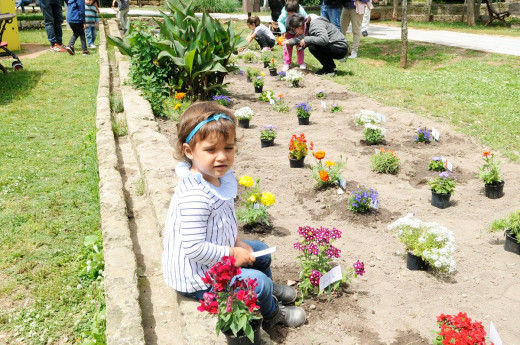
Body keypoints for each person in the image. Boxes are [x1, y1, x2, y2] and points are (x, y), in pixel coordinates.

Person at [162, 101, 306, 329]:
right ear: (189, 151)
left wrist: (237, 242)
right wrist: (231, 253)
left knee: (260, 251)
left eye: (228, 148)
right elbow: (193, 248)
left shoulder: (215, 177)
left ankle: (268, 289)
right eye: (211, 150)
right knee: (256, 283)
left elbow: (225, 220)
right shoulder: (194, 195)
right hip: (199, 278)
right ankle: (271, 314)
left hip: (215, 259)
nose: (222, 157)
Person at [284, 14, 348, 76]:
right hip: (337, 46)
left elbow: (323, 40)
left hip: (340, 48)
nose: (295, 32)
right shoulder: (308, 24)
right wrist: (289, 41)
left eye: (294, 29)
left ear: (300, 26)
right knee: (312, 43)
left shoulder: (315, 25)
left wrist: (307, 39)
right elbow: (304, 37)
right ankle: (332, 67)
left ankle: (329, 70)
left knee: (312, 46)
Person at [277, 0, 307, 71]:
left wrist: (302, 32)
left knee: (300, 47)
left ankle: (301, 62)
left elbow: (306, 20)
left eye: (292, 12)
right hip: (288, 32)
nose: (290, 14)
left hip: (298, 33)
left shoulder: (301, 12)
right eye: (289, 12)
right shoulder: (284, 12)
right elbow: (280, 21)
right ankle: (287, 63)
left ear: (297, 10)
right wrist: (283, 31)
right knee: (287, 47)